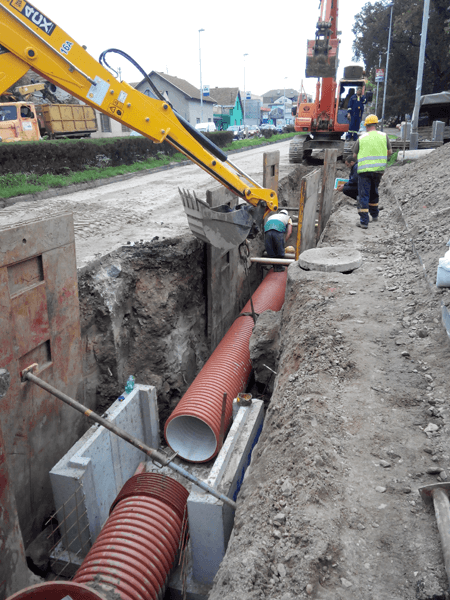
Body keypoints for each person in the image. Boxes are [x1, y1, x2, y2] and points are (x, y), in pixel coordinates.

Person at [353, 114, 392, 229]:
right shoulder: (384, 136)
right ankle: (374, 215)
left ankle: (364, 222)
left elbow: (354, 155)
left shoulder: (362, 138)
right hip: (378, 170)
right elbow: (389, 152)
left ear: (366, 126)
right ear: (376, 124)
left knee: (364, 194)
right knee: (374, 192)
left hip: (364, 170)